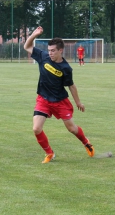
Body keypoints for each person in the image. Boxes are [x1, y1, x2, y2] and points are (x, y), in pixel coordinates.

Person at [23, 26, 95, 163]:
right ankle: (49, 153)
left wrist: (78, 102)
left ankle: (86, 142)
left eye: (53, 51)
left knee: (72, 129)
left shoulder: (66, 68)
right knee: (36, 128)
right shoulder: (43, 56)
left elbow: (71, 86)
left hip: (60, 101)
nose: (50, 53)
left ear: (60, 50)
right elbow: (27, 46)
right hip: (43, 99)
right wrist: (34, 35)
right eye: (49, 50)